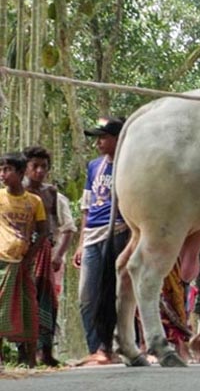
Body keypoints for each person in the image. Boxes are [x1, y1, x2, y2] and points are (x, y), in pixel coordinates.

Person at [72, 117, 129, 365]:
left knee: (113, 292)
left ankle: (113, 347)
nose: (99, 142)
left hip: (116, 231)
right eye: (98, 138)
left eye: (104, 137)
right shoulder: (93, 166)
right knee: (86, 295)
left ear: (118, 139)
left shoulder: (129, 165)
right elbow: (86, 207)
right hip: (92, 235)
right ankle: (96, 347)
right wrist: (80, 241)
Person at [22, 146, 76, 367]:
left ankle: (46, 350)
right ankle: (24, 351)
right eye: (34, 166)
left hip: (49, 258)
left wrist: (58, 256)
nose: (39, 171)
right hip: (22, 256)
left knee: (49, 303)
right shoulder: (14, 193)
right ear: (24, 168)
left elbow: (68, 228)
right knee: (24, 302)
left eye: (43, 166)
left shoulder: (53, 194)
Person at [0, 152, 48, 368]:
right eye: (1, 170)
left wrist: (30, 257)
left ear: (20, 173)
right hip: (2, 261)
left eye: (7, 170)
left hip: (22, 264)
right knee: (1, 306)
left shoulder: (34, 201)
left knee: (28, 307)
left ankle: (30, 360)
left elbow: (43, 232)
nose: (2, 174)